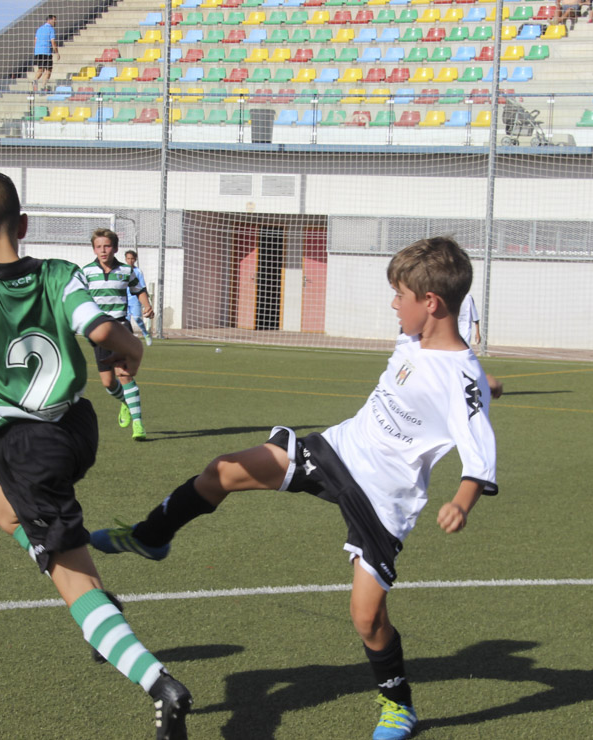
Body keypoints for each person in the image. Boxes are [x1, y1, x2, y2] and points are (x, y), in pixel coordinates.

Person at [91, 237, 502, 740]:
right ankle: (154, 535)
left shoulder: (463, 379)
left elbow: (478, 452)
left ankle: (399, 707)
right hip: (337, 451)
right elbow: (441, 375)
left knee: (366, 617)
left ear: (431, 303)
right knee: (224, 469)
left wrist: (461, 501)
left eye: (400, 295)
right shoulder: (416, 341)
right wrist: (489, 381)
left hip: (382, 500)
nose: (394, 304)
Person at [0, 172, 192, 740]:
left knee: (75, 583)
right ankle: (87, 585)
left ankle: (159, 683)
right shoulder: (62, 274)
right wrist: (132, 357)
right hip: (78, 429)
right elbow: (111, 335)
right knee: (4, 511)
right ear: (22, 226)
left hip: (27, 448)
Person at [83, 228, 155, 441]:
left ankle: (138, 424)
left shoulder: (126, 270)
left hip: (120, 327)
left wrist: (147, 305)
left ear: (114, 248)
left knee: (124, 374)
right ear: (94, 249)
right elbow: (78, 297)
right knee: (108, 382)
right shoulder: (86, 272)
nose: (103, 250)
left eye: (106, 246)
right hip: (98, 330)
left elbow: (138, 290)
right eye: (98, 247)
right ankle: (125, 402)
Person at [124, 249, 153, 346]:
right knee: (126, 321)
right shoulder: (122, 270)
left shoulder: (138, 271)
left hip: (135, 298)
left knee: (137, 318)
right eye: (128, 258)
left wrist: (146, 302)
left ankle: (146, 334)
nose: (130, 261)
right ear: (125, 259)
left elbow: (142, 286)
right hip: (124, 299)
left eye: (132, 259)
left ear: (135, 259)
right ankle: (128, 340)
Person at [34, 15, 59, 92]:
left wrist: (36, 50)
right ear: (49, 20)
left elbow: (35, 40)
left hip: (38, 52)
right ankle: (43, 87)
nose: (55, 22)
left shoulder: (39, 29)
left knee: (40, 69)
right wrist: (57, 52)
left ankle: (35, 81)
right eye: (54, 20)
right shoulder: (51, 29)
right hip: (46, 52)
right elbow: (53, 42)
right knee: (48, 70)